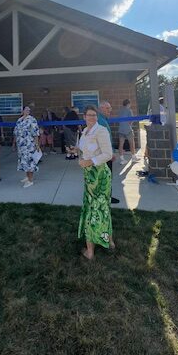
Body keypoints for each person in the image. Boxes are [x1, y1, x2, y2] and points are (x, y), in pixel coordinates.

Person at [76, 105, 114, 260]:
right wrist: (77, 153)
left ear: (96, 117)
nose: (92, 117)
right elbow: (84, 150)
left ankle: (90, 251)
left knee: (96, 208)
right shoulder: (85, 131)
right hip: (89, 174)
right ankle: (109, 242)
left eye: (94, 115)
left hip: (99, 174)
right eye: (89, 115)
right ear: (84, 116)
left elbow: (108, 154)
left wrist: (89, 161)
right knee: (98, 207)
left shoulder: (101, 130)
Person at [97, 100, 119, 205]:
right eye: (107, 108)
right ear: (101, 109)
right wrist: (110, 153)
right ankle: (105, 198)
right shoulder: (101, 121)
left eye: (110, 108)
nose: (110, 110)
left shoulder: (103, 119)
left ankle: (106, 196)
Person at [12, 106, 40, 187]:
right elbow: (15, 132)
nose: (28, 111)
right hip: (21, 145)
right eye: (26, 109)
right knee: (24, 161)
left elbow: (36, 133)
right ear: (22, 111)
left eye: (29, 110)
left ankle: (30, 180)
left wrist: (37, 144)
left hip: (29, 145)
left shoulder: (32, 120)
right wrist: (13, 144)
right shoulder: (19, 120)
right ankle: (27, 177)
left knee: (29, 162)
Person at [117, 99, 140, 165]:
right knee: (132, 143)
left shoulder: (120, 110)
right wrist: (129, 125)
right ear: (128, 104)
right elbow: (131, 120)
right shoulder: (129, 110)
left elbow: (118, 120)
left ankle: (122, 159)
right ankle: (133, 157)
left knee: (121, 145)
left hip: (121, 129)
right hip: (128, 129)